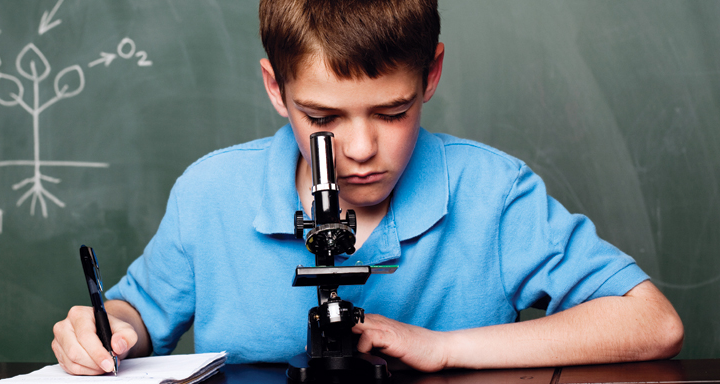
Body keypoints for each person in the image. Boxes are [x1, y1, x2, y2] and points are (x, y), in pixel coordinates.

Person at [52, 0, 683, 375]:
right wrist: (106, 328)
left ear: (430, 73)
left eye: (391, 113)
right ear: (277, 89)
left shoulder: (492, 193)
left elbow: (652, 323)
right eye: (322, 119)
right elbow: (138, 316)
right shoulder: (210, 194)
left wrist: (442, 348)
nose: (358, 150)